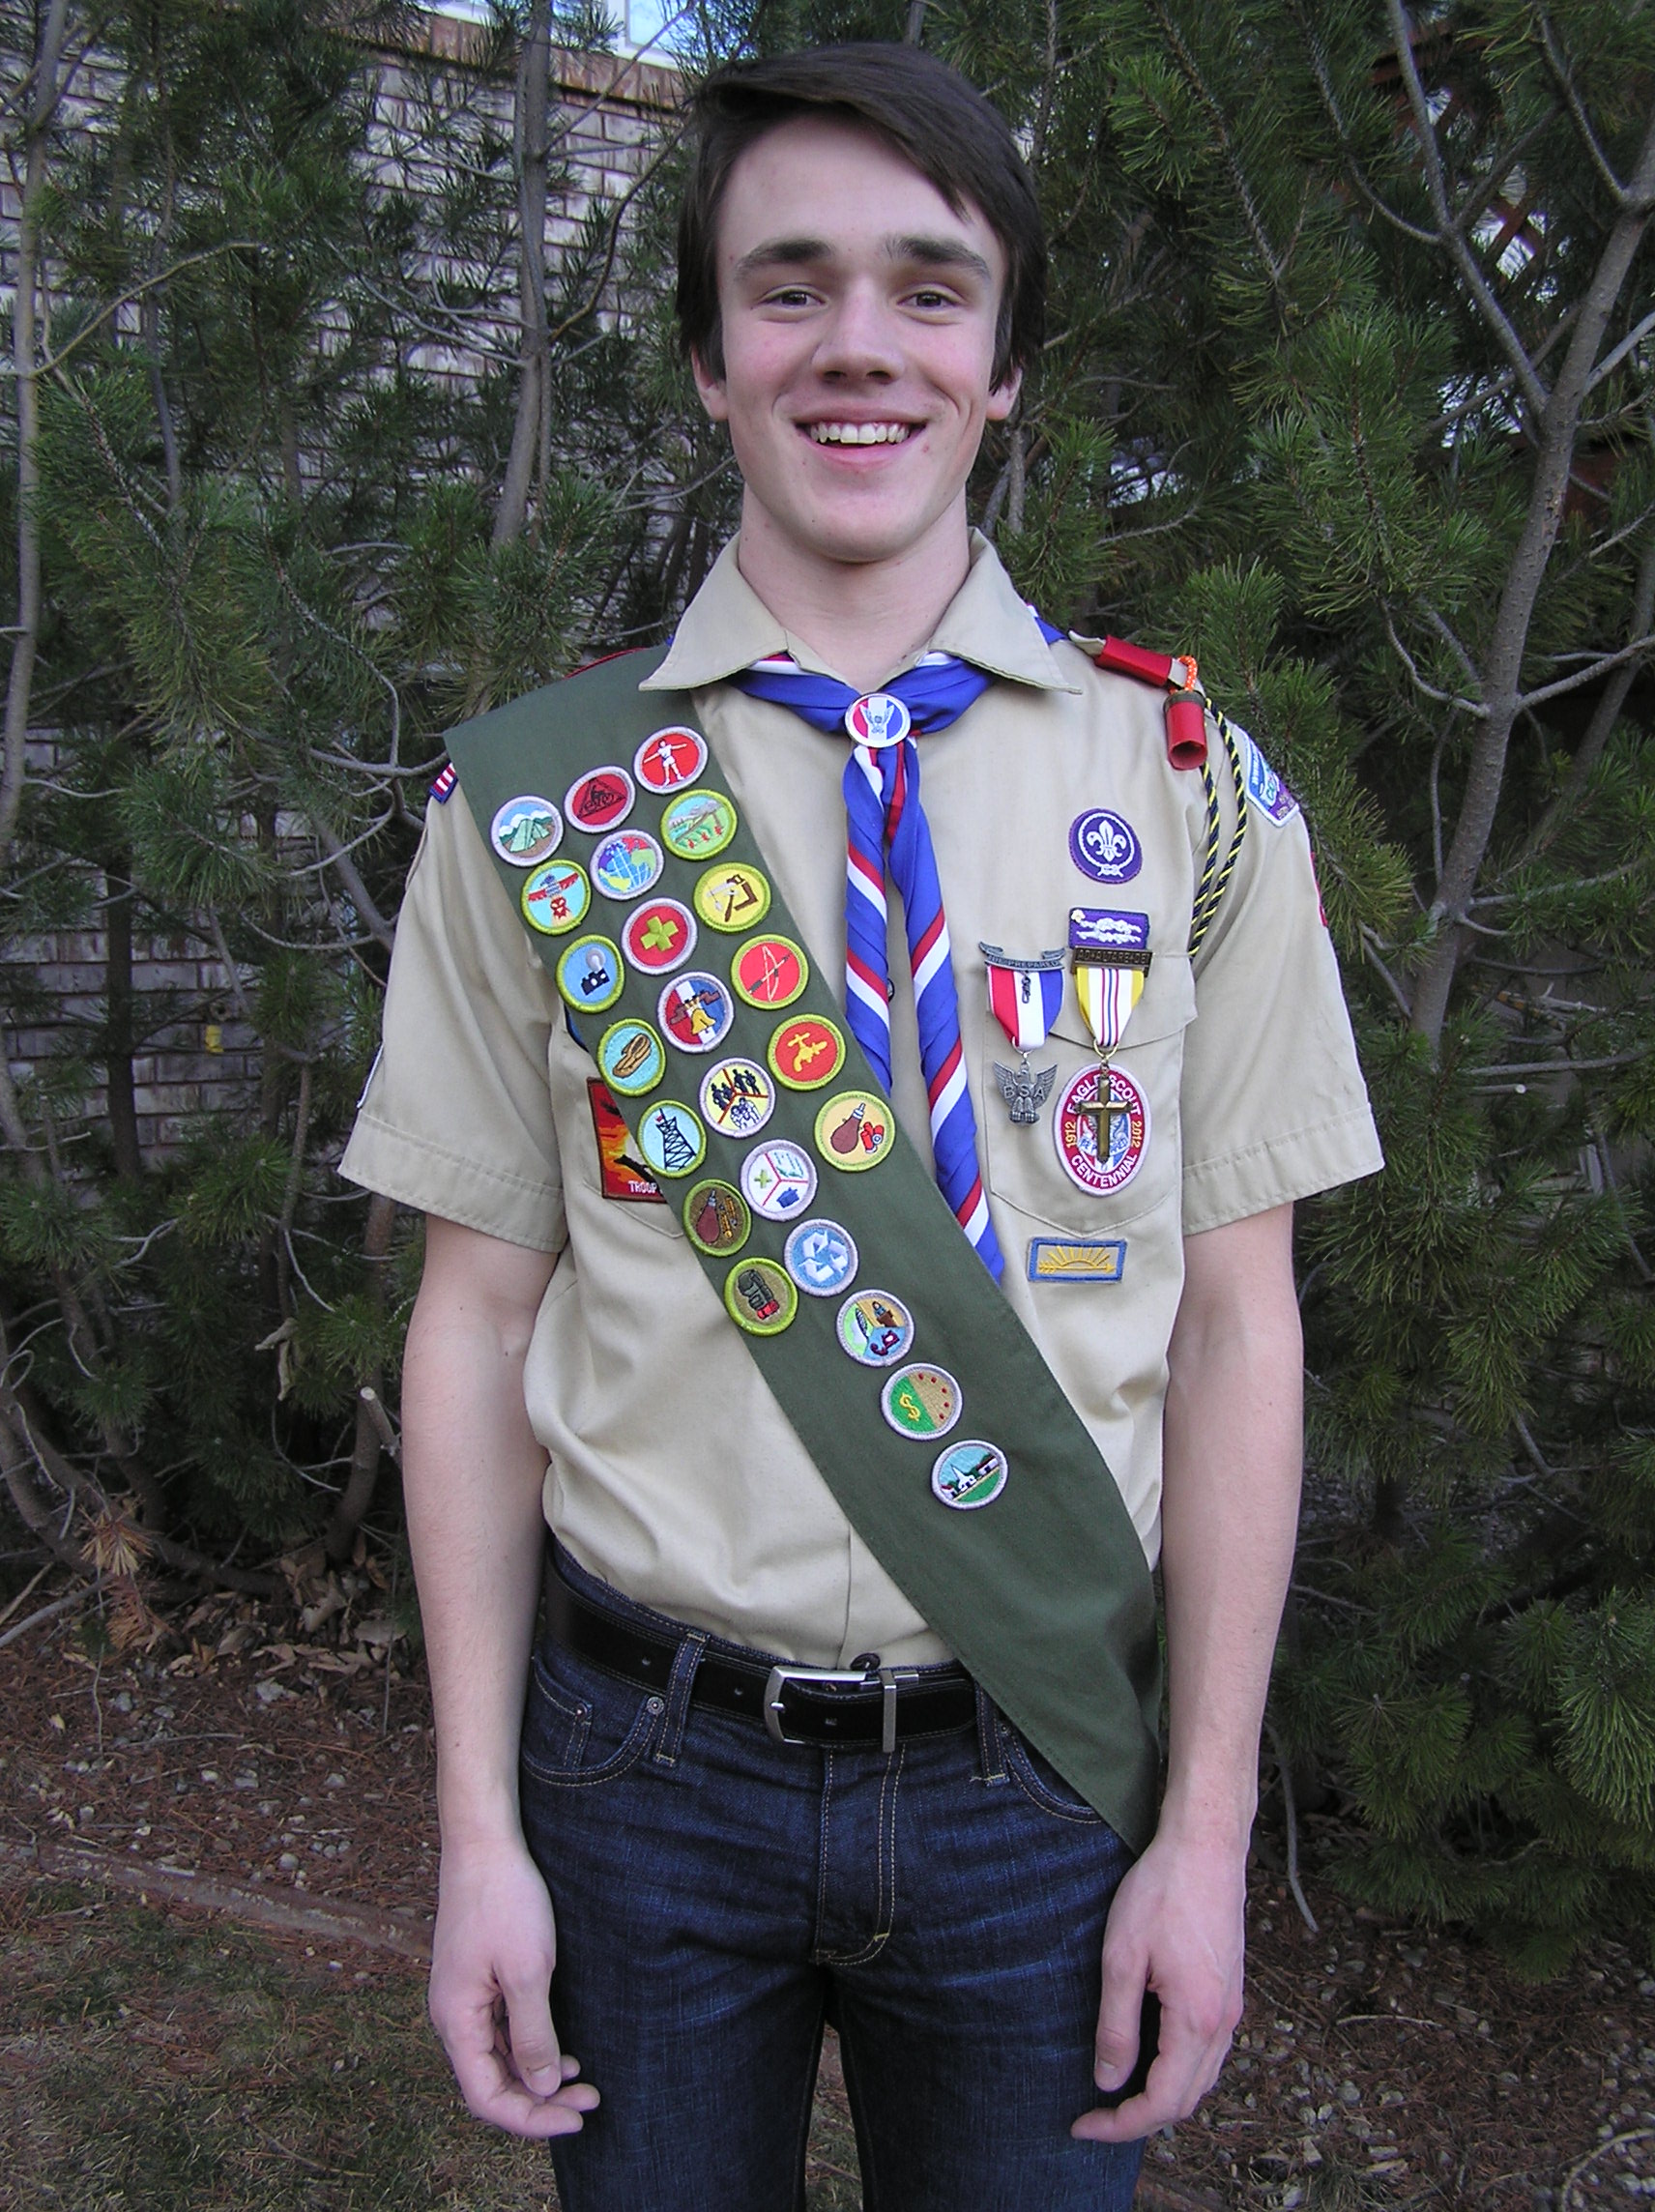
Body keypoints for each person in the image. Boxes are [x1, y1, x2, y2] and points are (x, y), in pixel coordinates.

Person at [340, 42, 1382, 2212]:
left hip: (1036, 1771)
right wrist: (473, 1836)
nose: (858, 347)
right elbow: (465, 1328)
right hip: (638, 1775)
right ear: (708, 358)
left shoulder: (1185, 786)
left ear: (1003, 364)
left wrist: (1202, 1830)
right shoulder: (539, 810)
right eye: (788, 284)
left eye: (931, 286)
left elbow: (1237, 1331)